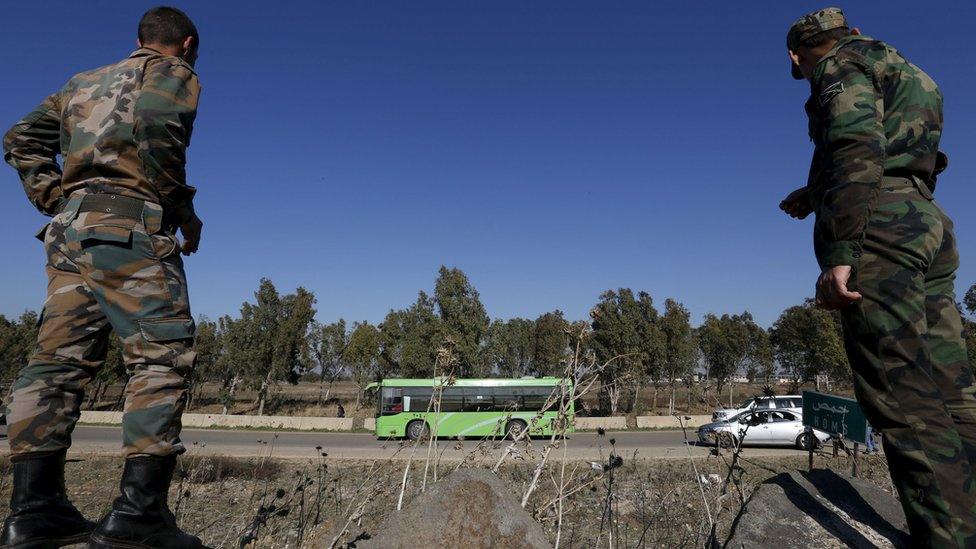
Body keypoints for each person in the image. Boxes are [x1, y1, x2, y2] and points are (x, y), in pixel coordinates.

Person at [2, 6, 205, 548]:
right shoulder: (172, 73)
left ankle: (33, 513)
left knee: (54, 365)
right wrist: (179, 209)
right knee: (161, 357)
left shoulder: (80, 83)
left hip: (70, 236)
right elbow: (161, 134)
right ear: (185, 45)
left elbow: (20, 137)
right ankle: (139, 519)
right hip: (130, 229)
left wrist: (56, 199)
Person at [781, 7, 976, 545]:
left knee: (902, 397)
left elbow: (857, 144)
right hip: (927, 224)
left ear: (798, 55)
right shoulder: (909, 70)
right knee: (952, 390)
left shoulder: (838, 68)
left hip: (881, 234)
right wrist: (816, 192)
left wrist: (842, 248)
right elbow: (920, 153)